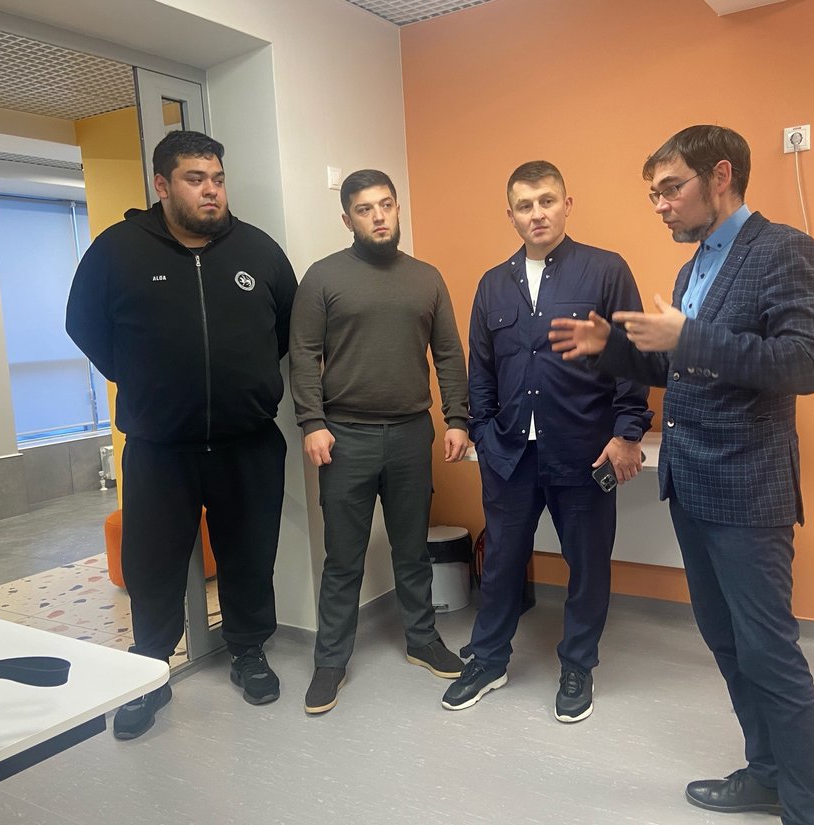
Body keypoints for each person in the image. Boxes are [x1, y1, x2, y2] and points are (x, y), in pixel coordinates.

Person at [549, 125, 814, 824]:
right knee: (728, 644)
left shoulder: (784, 250)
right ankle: (767, 774)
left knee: (770, 654)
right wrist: (612, 347)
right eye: (654, 194)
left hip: (749, 491)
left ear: (721, 176)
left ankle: (810, 812)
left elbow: (806, 362)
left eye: (671, 189)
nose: (660, 205)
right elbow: (678, 365)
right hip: (691, 485)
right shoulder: (692, 269)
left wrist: (689, 336)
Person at [66, 130, 298, 739]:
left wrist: (242, 381)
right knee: (152, 566)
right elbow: (83, 325)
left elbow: (286, 329)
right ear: (163, 185)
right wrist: (143, 378)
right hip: (159, 447)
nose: (211, 190)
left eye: (217, 178)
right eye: (196, 179)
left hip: (247, 442)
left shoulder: (258, 250)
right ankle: (148, 675)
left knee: (250, 556)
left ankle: (249, 652)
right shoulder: (117, 251)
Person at [441, 161, 652, 723]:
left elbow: (632, 357)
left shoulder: (605, 271)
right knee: (501, 563)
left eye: (547, 201)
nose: (537, 213)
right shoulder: (493, 284)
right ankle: (488, 660)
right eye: (525, 205)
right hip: (510, 454)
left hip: (584, 451)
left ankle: (578, 664)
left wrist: (627, 433)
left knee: (588, 564)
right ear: (510, 215)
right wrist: (482, 434)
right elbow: (481, 371)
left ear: (567, 204)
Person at [289, 169, 469, 715]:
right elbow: (303, 354)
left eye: (386, 205)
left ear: (397, 208)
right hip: (344, 437)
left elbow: (448, 353)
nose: (379, 216)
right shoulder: (323, 278)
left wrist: (457, 418)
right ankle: (330, 661)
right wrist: (311, 422)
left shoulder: (426, 278)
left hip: (412, 433)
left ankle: (422, 640)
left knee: (411, 549)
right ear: (347, 219)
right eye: (365, 209)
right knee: (343, 558)